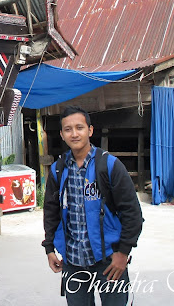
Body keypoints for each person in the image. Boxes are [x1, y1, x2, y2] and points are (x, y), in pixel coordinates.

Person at [42, 105, 143, 306]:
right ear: (62, 134)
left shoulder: (110, 166)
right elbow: (51, 212)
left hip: (109, 259)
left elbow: (132, 213)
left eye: (79, 127)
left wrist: (123, 253)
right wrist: (49, 247)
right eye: (68, 129)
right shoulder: (58, 170)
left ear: (90, 130)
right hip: (73, 260)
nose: (74, 133)